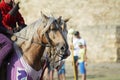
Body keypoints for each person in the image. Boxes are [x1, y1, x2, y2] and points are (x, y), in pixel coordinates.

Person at [0, 0, 26, 67]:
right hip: (5, 31)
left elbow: (20, 19)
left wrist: (22, 25)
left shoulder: (12, 6)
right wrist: (13, 11)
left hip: (13, 31)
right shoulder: (1, 6)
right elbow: (4, 22)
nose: (12, 0)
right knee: (9, 44)